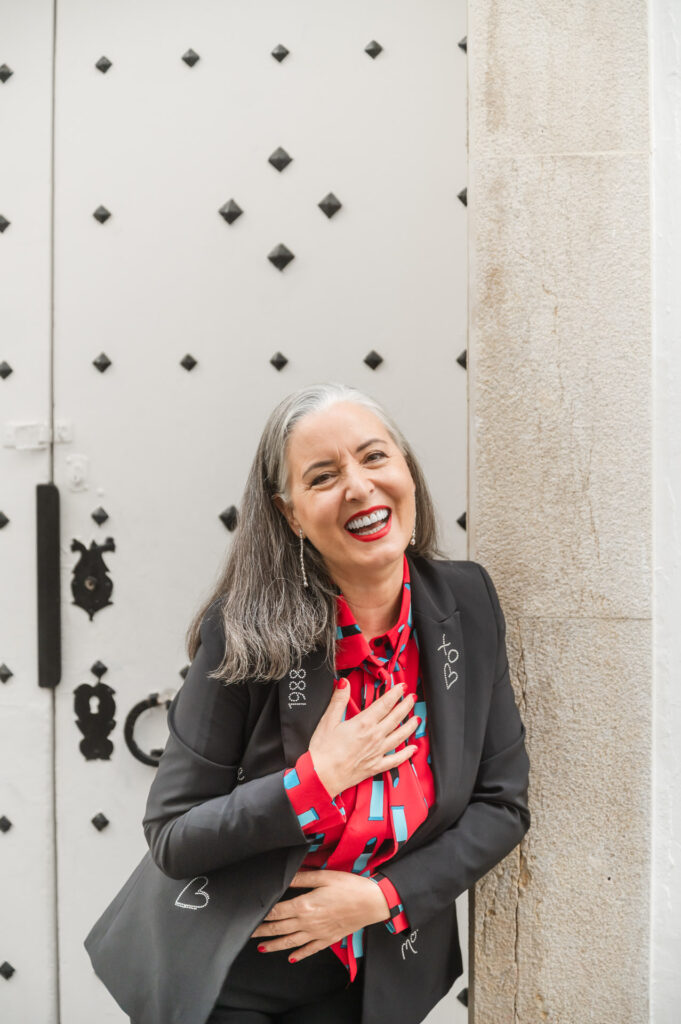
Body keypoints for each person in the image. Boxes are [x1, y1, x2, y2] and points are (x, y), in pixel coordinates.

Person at [137, 382, 530, 1024]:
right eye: (323, 476)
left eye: (375, 457)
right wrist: (314, 782)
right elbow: (173, 835)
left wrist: (384, 896)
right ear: (290, 514)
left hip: (381, 972)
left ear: (405, 468)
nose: (358, 485)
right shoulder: (241, 629)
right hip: (234, 978)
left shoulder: (469, 603)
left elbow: (502, 803)